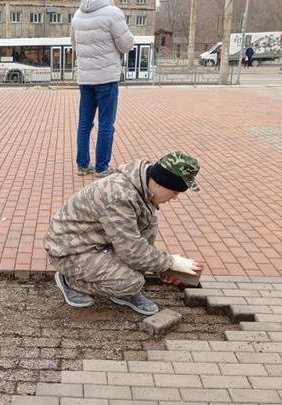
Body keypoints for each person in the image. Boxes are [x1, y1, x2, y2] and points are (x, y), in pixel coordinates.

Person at [44, 151, 205, 315]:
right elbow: (132, 251)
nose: (175, 198)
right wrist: (170, 263)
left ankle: (123, 291)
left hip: (95, 242)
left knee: (147, 227)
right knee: (131, 281)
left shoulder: (142, 186)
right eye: (175, 192)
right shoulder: (120, 197)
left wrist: (160, 267)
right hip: (69, 251)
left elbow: (137, 241)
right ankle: (70, 281)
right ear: (161, 184)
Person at [70, 0, 134, 179]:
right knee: (106, 124)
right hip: (107, 78)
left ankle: (82, 165)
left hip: (85, 78)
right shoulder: (113, 13)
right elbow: (126, 45)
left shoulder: (77, 15)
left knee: (84, 123)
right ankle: (101, 168)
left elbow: (75, 45)